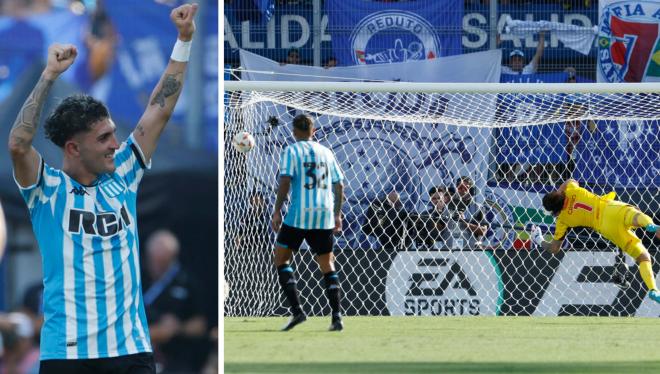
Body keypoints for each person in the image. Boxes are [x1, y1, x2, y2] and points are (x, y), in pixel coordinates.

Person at [7, 3, 198, 372]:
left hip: (131, 352)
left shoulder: (125, 171)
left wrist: (184, 41)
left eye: (113, 133)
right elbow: (17, 145)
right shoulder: (46, 189)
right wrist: (48, 76)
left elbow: (160, 107)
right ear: (74, 148)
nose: (115, 144)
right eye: (104, 138)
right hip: (68, 355)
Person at [272, 114, 345, 332]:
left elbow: (285, 180)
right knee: (327, 265)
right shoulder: (326, 152)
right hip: (323, 215)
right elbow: (339, 184)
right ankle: (336, 317)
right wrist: (337, 214)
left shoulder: (291, 151)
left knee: (282, 260)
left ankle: (298, 312)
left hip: (298, 215)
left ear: (294, 131)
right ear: (313, 131)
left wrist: (277, 210)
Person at [534, 179, 660, 302]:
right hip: (609, 208)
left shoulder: (562, 220)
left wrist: (539, 239)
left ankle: (653, 289)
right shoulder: (572, 190)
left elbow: (554, 248)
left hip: (606, 228)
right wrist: (559, 192)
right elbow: (570, 180)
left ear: (555, 211)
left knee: (643, 257)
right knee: (635, 214)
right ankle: (650, 225)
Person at [144, 230, 208, 373]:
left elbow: (201, 325)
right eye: (153, 261)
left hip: (176, 360)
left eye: (162, 262)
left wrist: (177, 328)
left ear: (172, 258)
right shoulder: (138, 279)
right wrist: (152, 333)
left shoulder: (188, 282)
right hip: (139, 355)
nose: (156, 267)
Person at [447, 176, 488, 249]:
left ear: (472, 190)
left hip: (470, 249)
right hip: (449, 248)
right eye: (460, 188)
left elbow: (483, 230)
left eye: (466, 188)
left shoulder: (477, 208)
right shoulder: (448, 206)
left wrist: (463, 222)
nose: (463, 190)